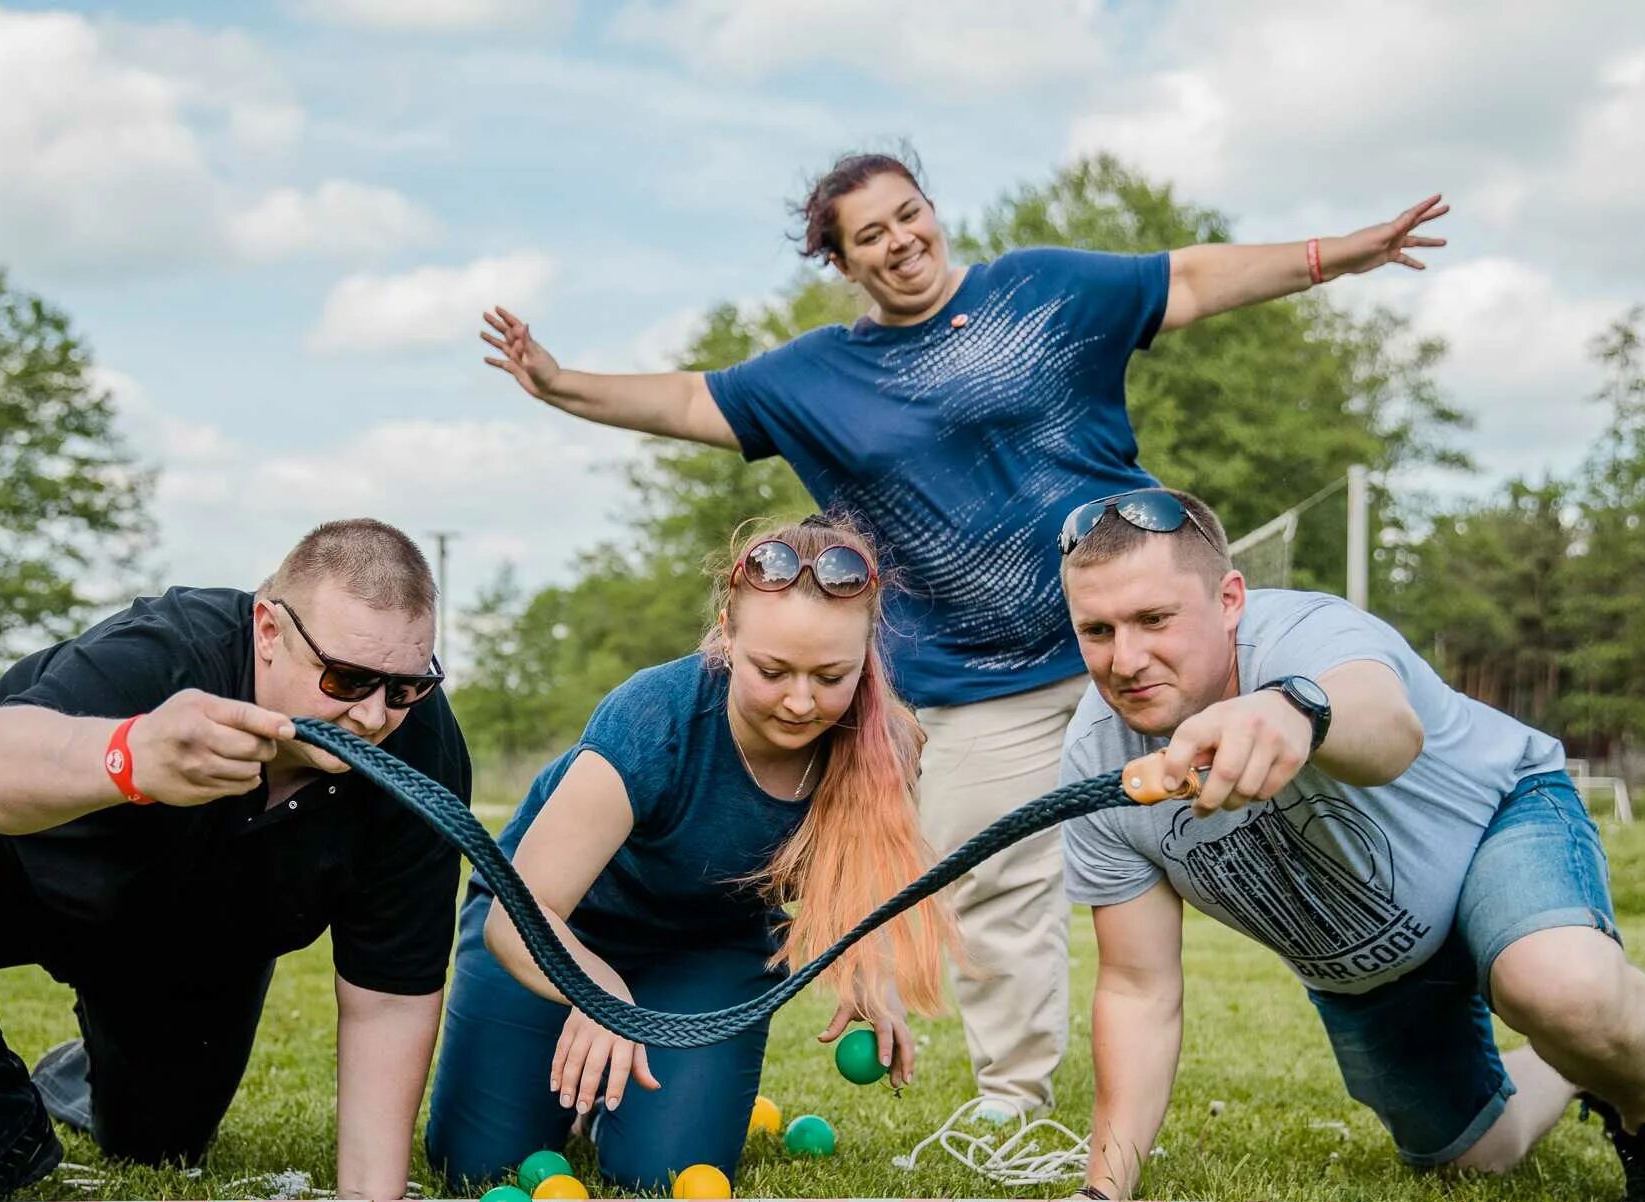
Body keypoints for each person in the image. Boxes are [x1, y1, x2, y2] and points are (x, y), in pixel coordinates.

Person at [482, 151, 1446, 1129]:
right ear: (843, 263)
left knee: (1291, 785)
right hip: (985, 686)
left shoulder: (1046, 289)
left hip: (1140, 641)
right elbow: (691, 400)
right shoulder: (815, 376)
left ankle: (1440, 928)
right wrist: (560, 383)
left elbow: (1189, 278)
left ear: (933, 212)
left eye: (909, 215)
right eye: (870, 235)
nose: (900, 241)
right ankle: (1011, 1100)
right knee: (990, 883)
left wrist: (1335, 255)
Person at [1053, 487, 1645, 1202]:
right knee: (1476, 1153)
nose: (1126, 659)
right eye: (1098, 630)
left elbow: (1388, 728)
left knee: (1560, 986)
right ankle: (1575, 1064)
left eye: (1154, 619)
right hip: (1373, 967)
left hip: (1498, 821)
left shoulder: (1308, 636)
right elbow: (1138, 988)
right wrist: (1104, 1188)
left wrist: (1297, 710)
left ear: (1230, 598)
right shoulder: (1095, 767)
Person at [0, 519, 470, 1202]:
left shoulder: (420, 758)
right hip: (28, 863)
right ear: (269, 630)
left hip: (190, 945)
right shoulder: (170, 649)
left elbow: (389, 996)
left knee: (159, 1143)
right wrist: (132, 755)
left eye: (408, 686)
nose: (376, 716)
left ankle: (83, 1072)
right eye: (347, 678)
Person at [425, 517, 953, 1192]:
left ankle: (615, 1106)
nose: (800, 700)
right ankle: (581, 1080)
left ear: (865, 656)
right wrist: (603, 995)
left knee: (663, 1178)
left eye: (830, 675)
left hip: (706, 949)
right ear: (727, 637)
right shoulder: (651, 720)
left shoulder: (884, 745)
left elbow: (855, 875)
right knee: (475, 1170)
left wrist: (868, 975)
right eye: (772, 669)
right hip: (554, 929)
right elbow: (516, 917)